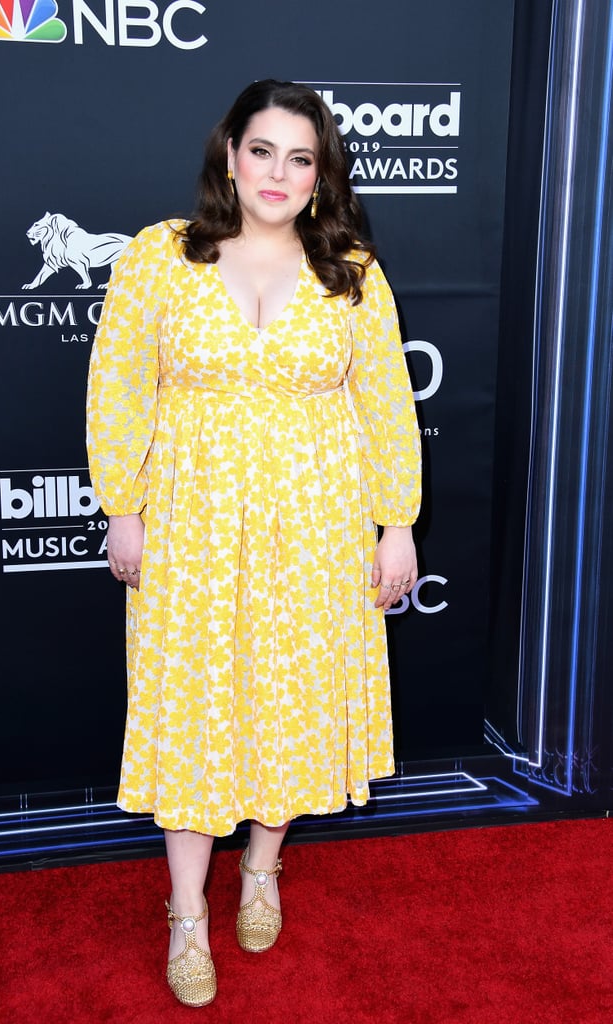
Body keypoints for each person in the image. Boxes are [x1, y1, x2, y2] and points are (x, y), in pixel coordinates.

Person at [86, 79, 421, 1008]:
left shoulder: (348, 268)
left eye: (299, 158)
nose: (277, 173)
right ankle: (187, 912)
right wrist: (122, 506)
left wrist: (395, 524)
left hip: (318, 525)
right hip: (191, 522)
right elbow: (118, 388)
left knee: (292, 703)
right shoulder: (159, 257)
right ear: (229, 151)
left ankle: (262, 868)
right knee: (192, 710)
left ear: (320, 177)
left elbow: (386, 401)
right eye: (262, 150)